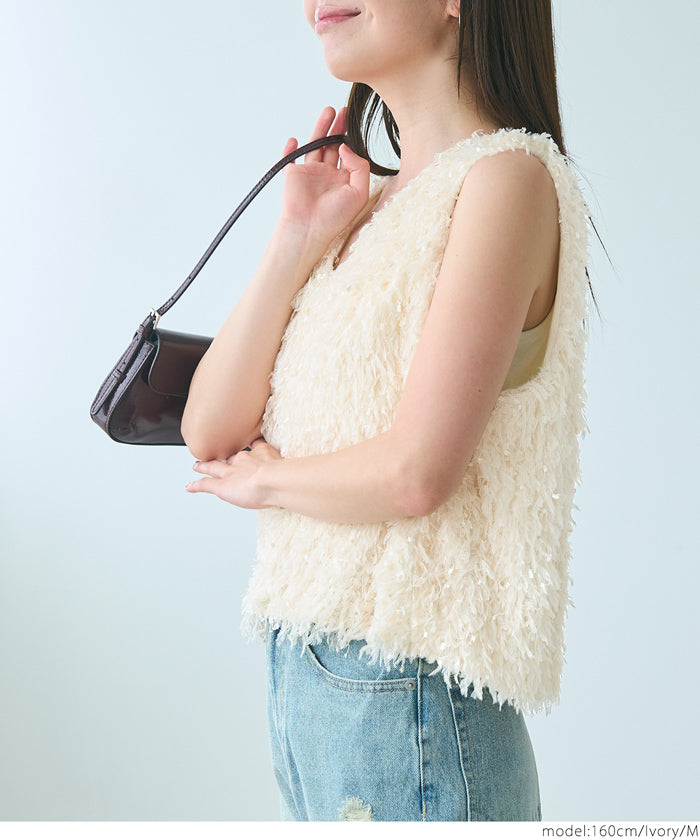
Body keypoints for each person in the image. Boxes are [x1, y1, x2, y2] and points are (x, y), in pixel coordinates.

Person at [181, 0, 594, 823]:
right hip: (316, 691)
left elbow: (415, 472)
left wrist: (270, 483)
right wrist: (295, 239)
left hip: (413, 697)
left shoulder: (507, 179)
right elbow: (209, 430)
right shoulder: (367, 206)